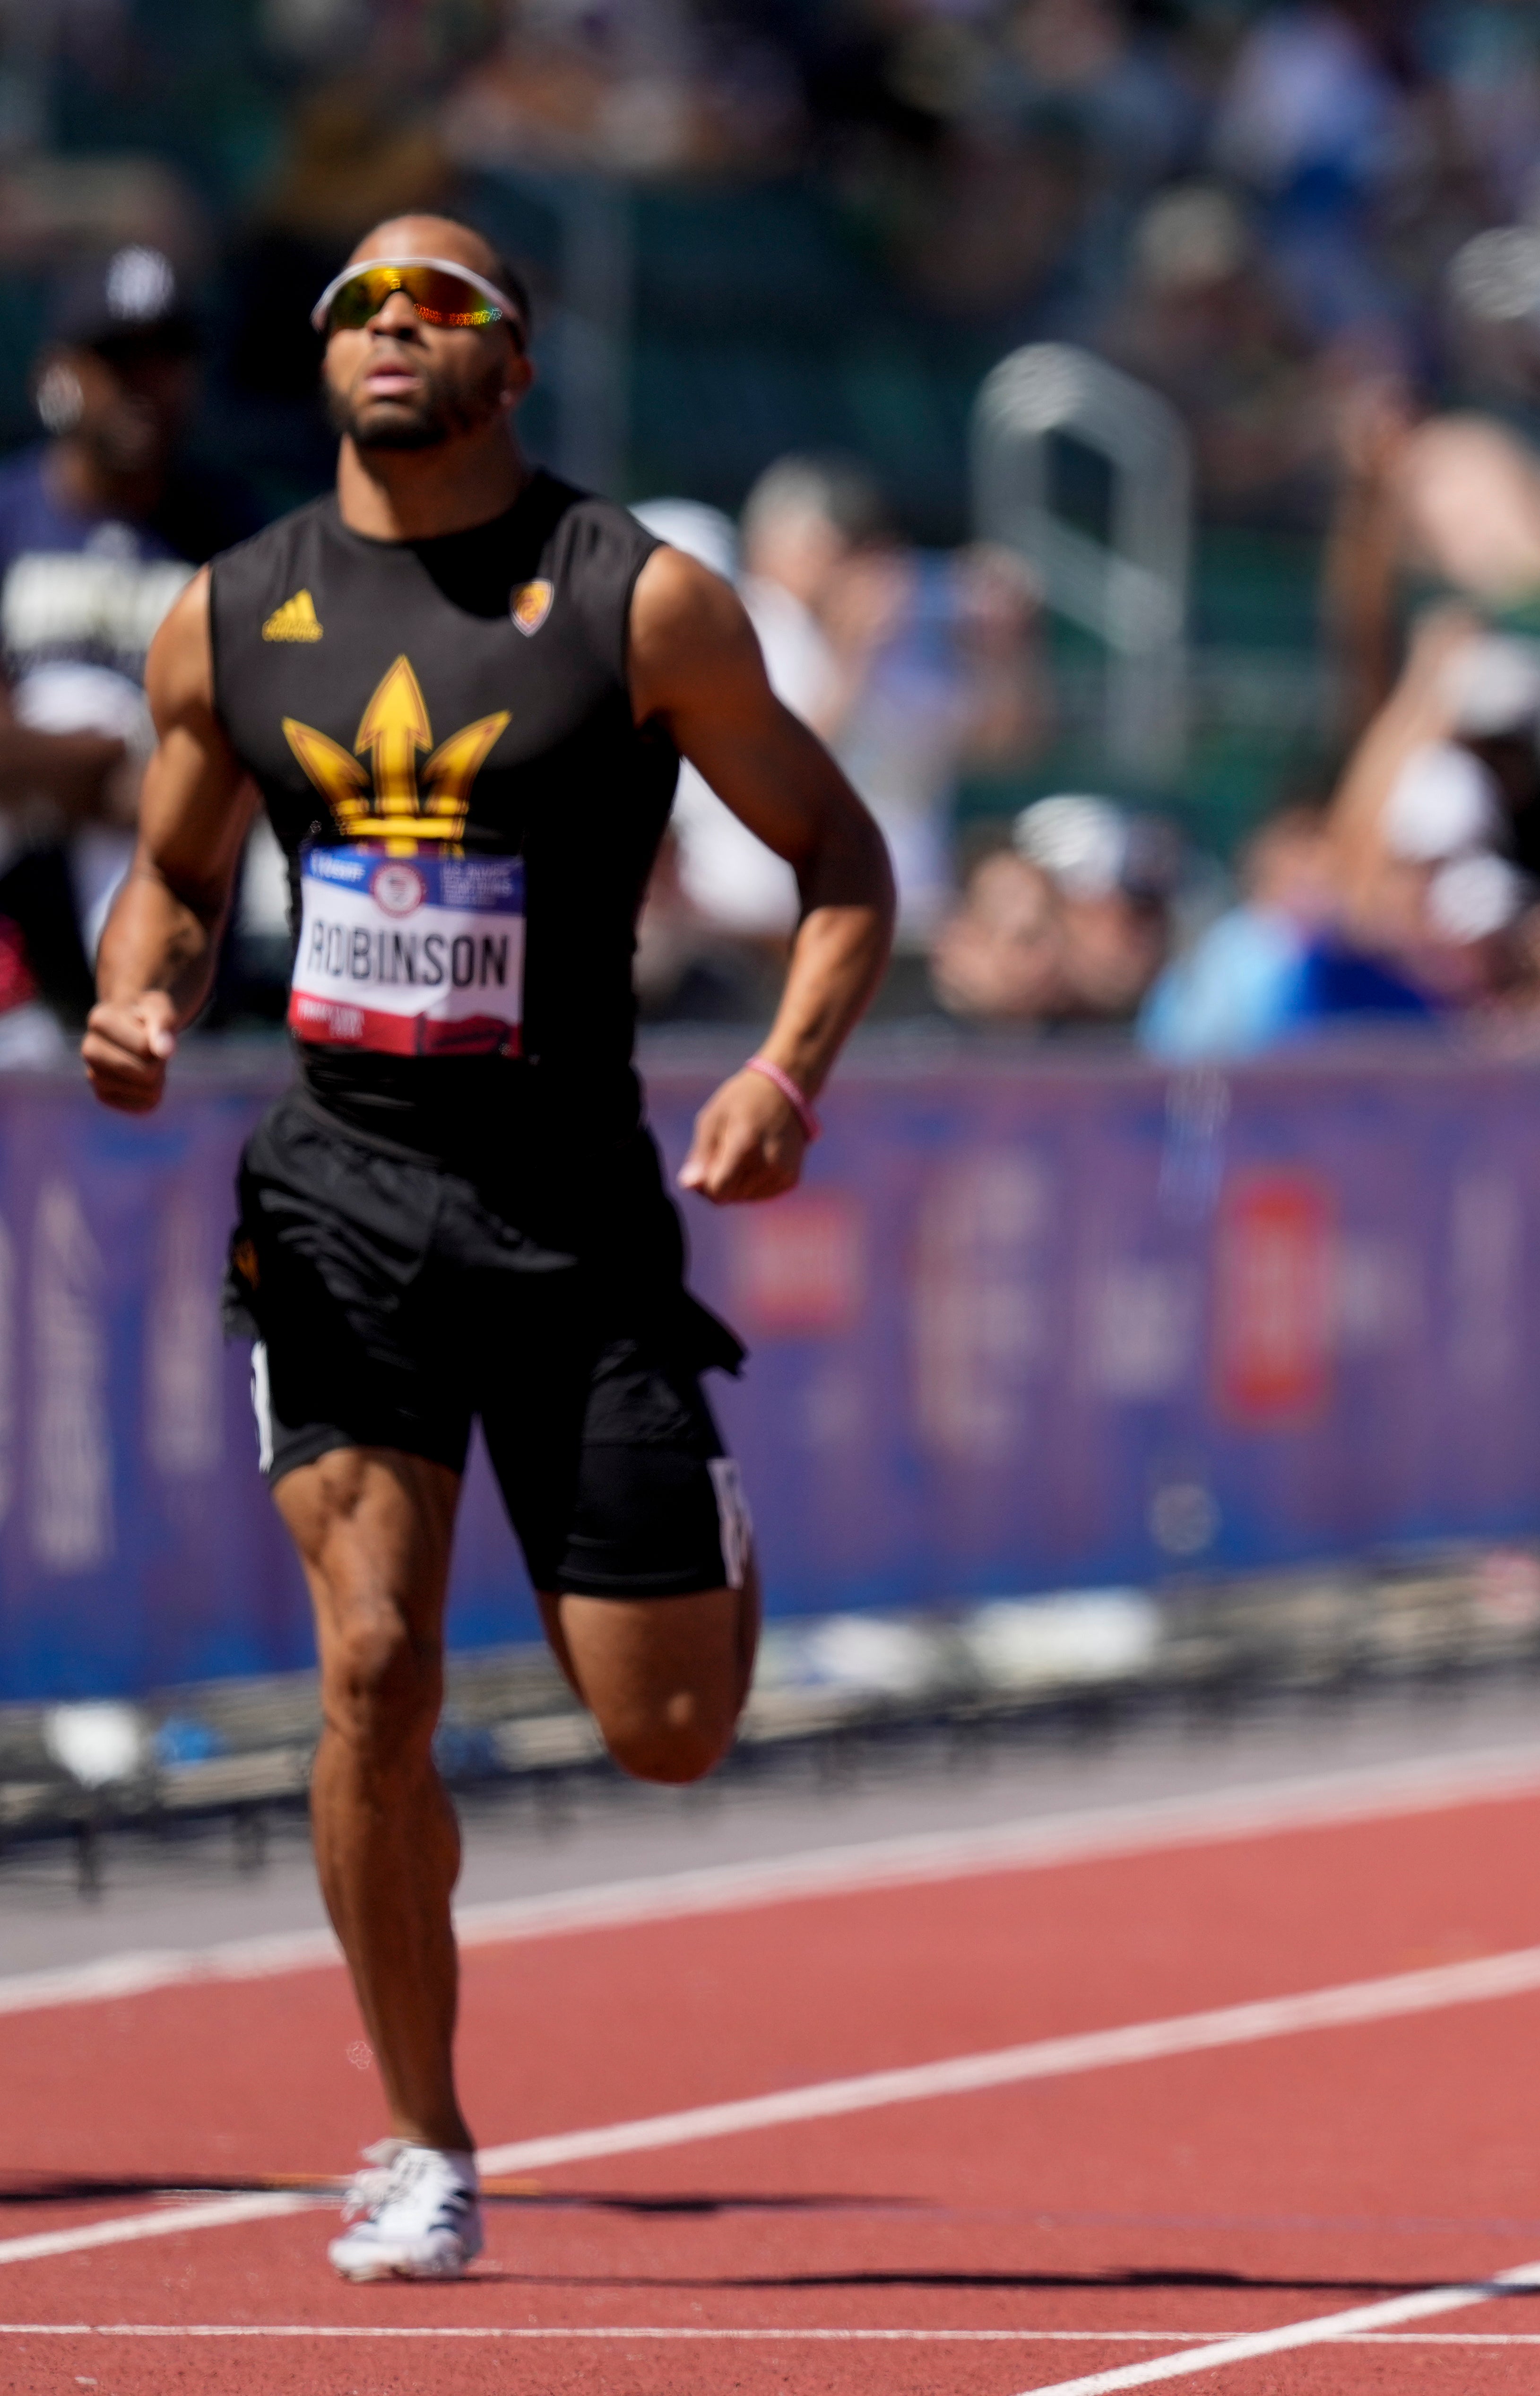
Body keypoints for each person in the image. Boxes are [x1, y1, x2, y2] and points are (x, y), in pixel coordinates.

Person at [76, 217, 895, 2283]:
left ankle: (696, 1543)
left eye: (440, 304)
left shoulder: (640, 602)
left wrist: (784, 1080)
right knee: (371, 1666)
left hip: (573, 1209)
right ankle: (419, 2133)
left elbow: (841, 860)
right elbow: (167, 875)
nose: (392, 329)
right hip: (338, 1193)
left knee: (666, 1726)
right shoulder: (232, 614)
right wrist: (139, 995)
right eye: (361, 302)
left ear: (508, 364)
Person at [0, 245, 262, 1054]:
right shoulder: (8, 515)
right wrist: (120, 762)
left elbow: (250, 759)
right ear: (60, 372)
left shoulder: (234, 536)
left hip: (173, 932)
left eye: (168, 356)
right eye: (117, 358)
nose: (145, 385)